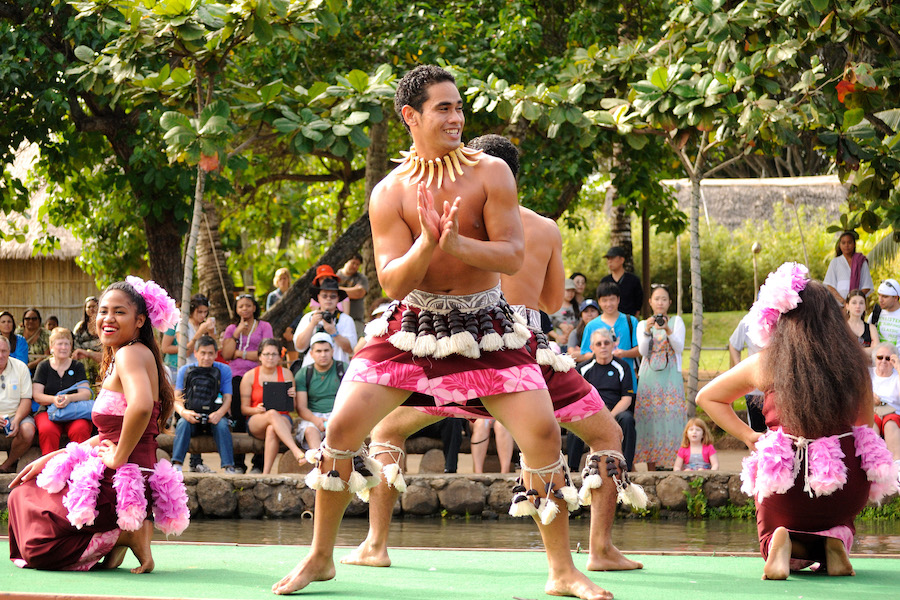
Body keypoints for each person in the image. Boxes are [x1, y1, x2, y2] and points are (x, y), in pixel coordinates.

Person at [273, 66, 613, 599]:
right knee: (340, 431)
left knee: (543, 435)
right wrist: (427, 245)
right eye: (443, 109)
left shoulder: (491, 172)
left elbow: (511, 253)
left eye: (459, 107)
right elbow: (391, 279)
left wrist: (456, 244)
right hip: (412, 326)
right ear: (411, 116)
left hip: (489, 325)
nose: (456, 118)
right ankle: (321, 558)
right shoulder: (390, 192)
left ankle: (563, 570)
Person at [338, 131, 641, 585]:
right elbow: (553, 299)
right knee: (607, 434)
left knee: (387, 429)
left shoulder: (441, 213)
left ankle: (375, 544)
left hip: (441, 347)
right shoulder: (541, 227)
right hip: (521, 352)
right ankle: (598, 549)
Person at [697, 263, 897, 580]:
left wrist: (749, 435)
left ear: (785, 315)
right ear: (834, 317)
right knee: (839, 518)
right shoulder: (855, 363)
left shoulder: (765, 362)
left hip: (785, 484)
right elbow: (863, 424)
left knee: (776, 525)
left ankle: (781, 542)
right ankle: (832, 542)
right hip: (842, 482)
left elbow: (706, 397)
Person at [8, 276, 189, 572]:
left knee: (37, 545)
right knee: (23, 494)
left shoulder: (130, 353)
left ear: (140, 320)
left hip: (121, 482)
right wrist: (51, 457)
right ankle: (119, 537)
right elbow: (109, 433)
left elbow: (142, 407)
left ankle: (124, 533)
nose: (108, 318)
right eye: (103, 310)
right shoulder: (129, 355)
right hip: (116, 473)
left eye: (120, 312)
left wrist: (117, 457)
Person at [633, 284, 687, 470]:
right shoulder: (642, 324)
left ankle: (676, 465)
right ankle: (651, 467)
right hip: (649, 378)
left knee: (672, 416)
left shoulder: (676, 322)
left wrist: (668, 331)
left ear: (669, 302)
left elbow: (679, 348)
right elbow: (642, 351)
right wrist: (648, 331)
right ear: (650, 302)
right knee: (649, 418)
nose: (660, 303)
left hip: (671, 376)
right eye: (657, 299)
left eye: (664, 299)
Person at [221, 293, 273, 473]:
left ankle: (258, 463)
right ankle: (238, 463)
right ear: (236, 309)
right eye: (241, 306)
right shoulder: (231, 329)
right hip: (236, 376)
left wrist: (240, 353)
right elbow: (227, 354)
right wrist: (235, 334)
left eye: (248, 305)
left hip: (260, 374)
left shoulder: (264, 326)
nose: (245, 309)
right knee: (237, 418)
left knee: (260, 413)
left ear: (254, 307)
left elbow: (265, 353)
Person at [240, 338, 306, 474]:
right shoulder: (250, 376)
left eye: (274, 354)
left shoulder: (286, 374)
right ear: (260, 356)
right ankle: (295, 450)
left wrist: (291, 396)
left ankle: (265, 473)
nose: (270, 358)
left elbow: (292, 407)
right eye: (266, 354)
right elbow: (244, 409)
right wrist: (256, 409)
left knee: (272, 429)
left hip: (283, 420)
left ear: (279, 356)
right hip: (257, 419)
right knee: (271, 413)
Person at [172, 335, 235, 474]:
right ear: (195, 353)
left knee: (223, 424)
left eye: (210, 353)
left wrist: (218, 414)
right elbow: (177, 398)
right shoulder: (185, 370)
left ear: (215, 354)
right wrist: (184, 412)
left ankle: (228, 467)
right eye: (203, 353)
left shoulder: (224, 370)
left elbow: (227, 398)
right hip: (191, 416)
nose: (206, 357)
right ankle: (176, 465)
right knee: (182, 423)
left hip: (214, 416)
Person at [578, 328, 637, 471]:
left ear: (613, 345)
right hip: (591, 413)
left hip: (616, 412)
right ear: (592, 348)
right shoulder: (583, 369)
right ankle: (572, 468)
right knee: (576, 421)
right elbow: (579, 399)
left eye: (606, 343)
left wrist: (609, 417)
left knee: (628, 419)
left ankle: (626, 468)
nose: (603, 346)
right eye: (598, 344)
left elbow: (627, 399)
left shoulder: (623, 367)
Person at [32, 327, 93, 455]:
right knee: (47, 430)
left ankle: (81, 467)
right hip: (48, 411)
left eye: (67, 344)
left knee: (81, 428)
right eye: (60, 344)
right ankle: (51, 468)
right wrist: (53, 399)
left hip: (75, 411)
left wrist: (69, 398)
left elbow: (86, 393)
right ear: (52, 346)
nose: (64, 347)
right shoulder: (43, 366)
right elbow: (37, 395)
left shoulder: (77, 366)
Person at [292, 266, 357, 369]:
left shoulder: (346, 320)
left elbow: (350, 349)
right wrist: (312, 324)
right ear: (318, 297)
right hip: (311, 372)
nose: (328, 299)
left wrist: (334, 333)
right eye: (324, 296)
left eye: (333, 296)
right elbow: (299, 347)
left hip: (338, 372)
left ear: (338, 299)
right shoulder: (308, 318)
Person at [294, 332, 347, 451]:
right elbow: (301, 408)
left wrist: (335, 419)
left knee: (340, 431)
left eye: (326, 350)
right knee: (310, 430)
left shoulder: (343, 369)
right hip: (313, 416)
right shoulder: (304, 374)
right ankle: (320, 462)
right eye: (318, 351)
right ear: (311, 354)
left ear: (332, 351)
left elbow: (351, 399)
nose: (323, 355)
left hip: (339, 414)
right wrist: (316, 421)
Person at [580, 282, 640, 383]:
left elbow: (640, 350)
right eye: (604, 300)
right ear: (599, 302)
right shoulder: (591, 325)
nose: (608, 304)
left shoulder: (631, 321)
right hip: (599, 381)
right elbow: (585, 353)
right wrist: (602, 354)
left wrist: (624, 353)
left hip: (627, 379)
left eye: (612, 299)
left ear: (618, 299)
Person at [0, 336, 37, 473]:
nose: (1, 355)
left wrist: (17, 419)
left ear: (9, 351)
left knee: (28, 430)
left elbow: (26, 399)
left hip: (16, 415)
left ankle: (6, 465)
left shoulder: (20, 367)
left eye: (4, 351)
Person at [161, 294, 216, 381]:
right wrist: (199, 333)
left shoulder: (205, 325)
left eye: (205, 312)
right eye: (200, 312)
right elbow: (184, 352)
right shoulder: (182, 324)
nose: (203, 315)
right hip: (180, 366)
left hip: (201, 368)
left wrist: (211, 332)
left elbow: (213, 349)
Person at [728, 314, 766, 433]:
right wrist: (740, 368)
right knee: (757, 433)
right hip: (755, 389)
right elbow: (734, 344)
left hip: (781, 389)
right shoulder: (749, 320)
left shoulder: (784, 318)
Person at [869, 342, 900, 468]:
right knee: (873, 424)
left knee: (890, 423)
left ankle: (897, 465)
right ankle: (872, 464)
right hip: (872, 411)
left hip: (893, 414)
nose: (884, 361)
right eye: (880, 357)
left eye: (888, 358)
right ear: (874, 358)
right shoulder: (867, 373)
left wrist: (898, 366)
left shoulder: (897, 375)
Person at [824, 231, 872, 303]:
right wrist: (843, 302)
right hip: (838, 306)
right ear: (839, 245)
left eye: (849, 242)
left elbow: (867, 286)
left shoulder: (861, 261)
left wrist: (853, 301)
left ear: (854, 244)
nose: (846, 245)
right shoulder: (835, 262)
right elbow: (829, 286)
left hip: (857, 306)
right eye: (843, 243)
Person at [599, 247, 643, 317]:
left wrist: (632, 320)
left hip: (628, 320)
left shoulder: (633, 280)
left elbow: (638, 303)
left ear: (622, 260)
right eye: (608, 259)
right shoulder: (605, 281)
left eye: (613, 258)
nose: (610, 261)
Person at [337, 254, 370, 339]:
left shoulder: (361, 278)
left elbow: (359, 293)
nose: (355, 266)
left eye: (357, 264)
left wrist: (336, 289)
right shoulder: (335, 275)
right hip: (336, 320)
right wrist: (352, 290)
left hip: (356, 320)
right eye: (353, 263)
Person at [72, 296, 102, 384]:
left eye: (94, 306)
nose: (91, 309)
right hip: (84, 361)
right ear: (85, 309)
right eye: (89, 307)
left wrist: (91, 353)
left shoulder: (103, 324)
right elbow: (76, 346)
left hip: (100, 359)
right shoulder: (80, 327)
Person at [16, 308, 50, 372]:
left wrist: (31, 365)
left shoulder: (46, 334)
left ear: (39, 320)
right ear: (23, 321)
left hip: (41, 368)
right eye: (27, 319)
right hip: (19, 368)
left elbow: (47, 355)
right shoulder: (17, 333)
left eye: (34, 319)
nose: (31, 321)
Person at [567, 299, 600, 363]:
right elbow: (572, 355)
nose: (589, 314)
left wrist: (582, 352)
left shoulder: (604, 329)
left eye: (593, 311)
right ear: (581, 315)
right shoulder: (576, 332)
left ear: (598, 313)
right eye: (586, 311)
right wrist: (597, 353)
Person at [846, 289, 878, 355]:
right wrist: (867, 350)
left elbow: (876, 349)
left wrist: (852, 351)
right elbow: (840, 350)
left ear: (865, 306)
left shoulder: (871, 328)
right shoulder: (841, 327)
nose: (858, 306)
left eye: (861, 303)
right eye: (854, 303)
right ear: (847, 306)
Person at [548, 278, 579, 348]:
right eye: (568, 291)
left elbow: (581, 320)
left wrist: (573, 326)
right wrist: (560, 325)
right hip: (560, 343)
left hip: (575, 344)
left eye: (572, 291)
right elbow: (547, 323)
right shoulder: (554, 307)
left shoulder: (577, 307)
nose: (570, 294)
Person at [872, 279, 900, 345]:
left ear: (896, 298)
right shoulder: (876, 313)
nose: (880, 300)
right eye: (879, 295)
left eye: (885, 296)